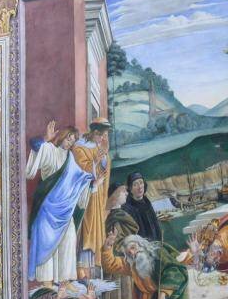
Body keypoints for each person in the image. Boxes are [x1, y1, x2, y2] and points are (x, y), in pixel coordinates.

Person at [27, 122, 92, 285]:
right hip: (48, 209)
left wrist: (91, 181)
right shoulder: (50, 150)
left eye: (73, 140)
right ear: (62, 136)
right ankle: (46, 282)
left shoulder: (71, 159)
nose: (70, 142)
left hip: (65, 211)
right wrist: (45, 138)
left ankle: (64, 281)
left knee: (69, 239)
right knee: (45, 243)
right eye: (69, 138)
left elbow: (80, 178)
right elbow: (34, 145)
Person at [72, 119, 112, 262]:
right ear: (95, 133)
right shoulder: (79, 148)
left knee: (97, 229)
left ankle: (95, 264)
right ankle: (82, 264)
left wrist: (105, 157)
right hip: (86, 194)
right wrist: (95, 161)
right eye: (102, 135)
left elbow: (104, 170)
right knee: (86, 229)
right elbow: (80, 170)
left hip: (97, 195)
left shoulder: (98, 147)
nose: (103, 139)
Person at [121, 172, 162, 241]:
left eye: (141, 182)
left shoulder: (147, 202)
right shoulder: (127, 209)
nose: (139, 187)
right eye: (135, 184)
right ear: (130, 189)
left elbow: (156, 225)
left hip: (155, 243)